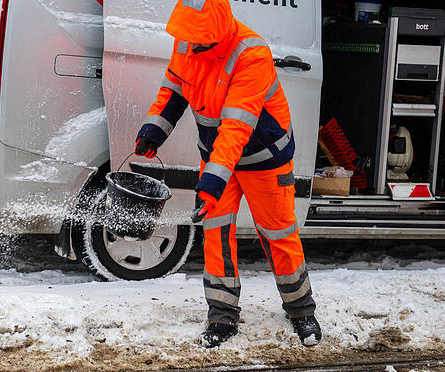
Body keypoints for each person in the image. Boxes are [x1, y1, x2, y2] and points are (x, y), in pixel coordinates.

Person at [134, 0, 321, 348]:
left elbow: (236, 128)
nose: (193, 46)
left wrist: (211, 183)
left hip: (263, 156)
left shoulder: (251, 54)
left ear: (217, 32)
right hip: (216, 157)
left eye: (200, 40)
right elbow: (174, 89)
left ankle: (301, 309)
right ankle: (222, 316)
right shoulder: (187, 41)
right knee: (216, 233)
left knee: (278, 231)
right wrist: (154, 130)